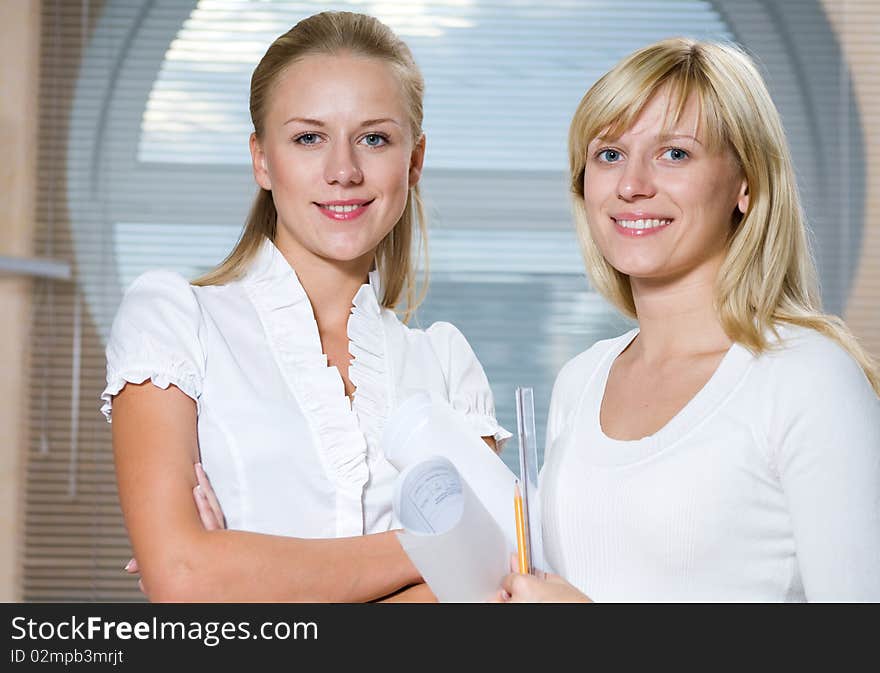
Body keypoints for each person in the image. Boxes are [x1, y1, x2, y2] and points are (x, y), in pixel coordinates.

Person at [103, 11, 509, 603]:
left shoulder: (448, 369)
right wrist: (427, 543)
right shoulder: (172, 322)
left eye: (374, 138)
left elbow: (483, 588)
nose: (342, 171)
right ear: (262, 160)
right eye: (308, 137)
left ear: (413, 161)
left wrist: (244, 579)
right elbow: (184, 579)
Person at [499, 38, 880, 602]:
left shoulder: (808, 378)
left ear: (745, 185)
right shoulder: (580, 382)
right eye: (609, 155)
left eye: (674, 153)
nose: (632, 185)